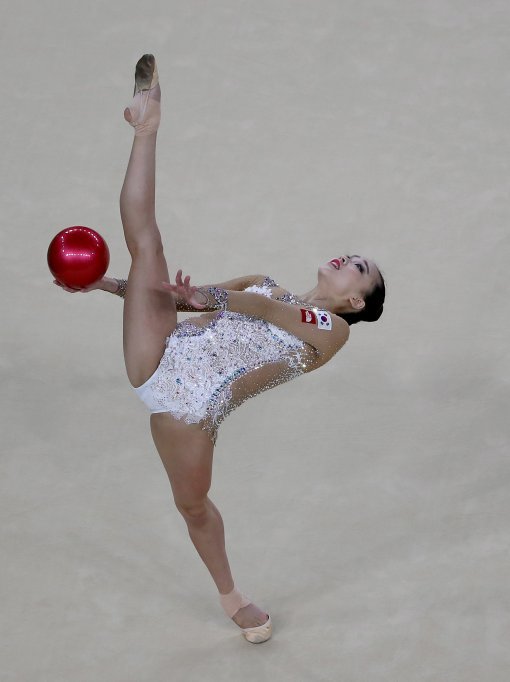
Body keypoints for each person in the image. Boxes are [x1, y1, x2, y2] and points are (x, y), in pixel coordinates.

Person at [54, 54, 386, 644]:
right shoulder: (262, 278)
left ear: (355, 303)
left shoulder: (329, 332)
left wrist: (203, 293)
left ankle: (232, 598)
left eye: (357, 269)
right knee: (147, 243)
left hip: (189, 406)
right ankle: (146, 125)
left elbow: (262, 311)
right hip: (161, 348)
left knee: (194, 507)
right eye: (350, 254)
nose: (345, 258)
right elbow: (176, 299)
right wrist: (103, 285)